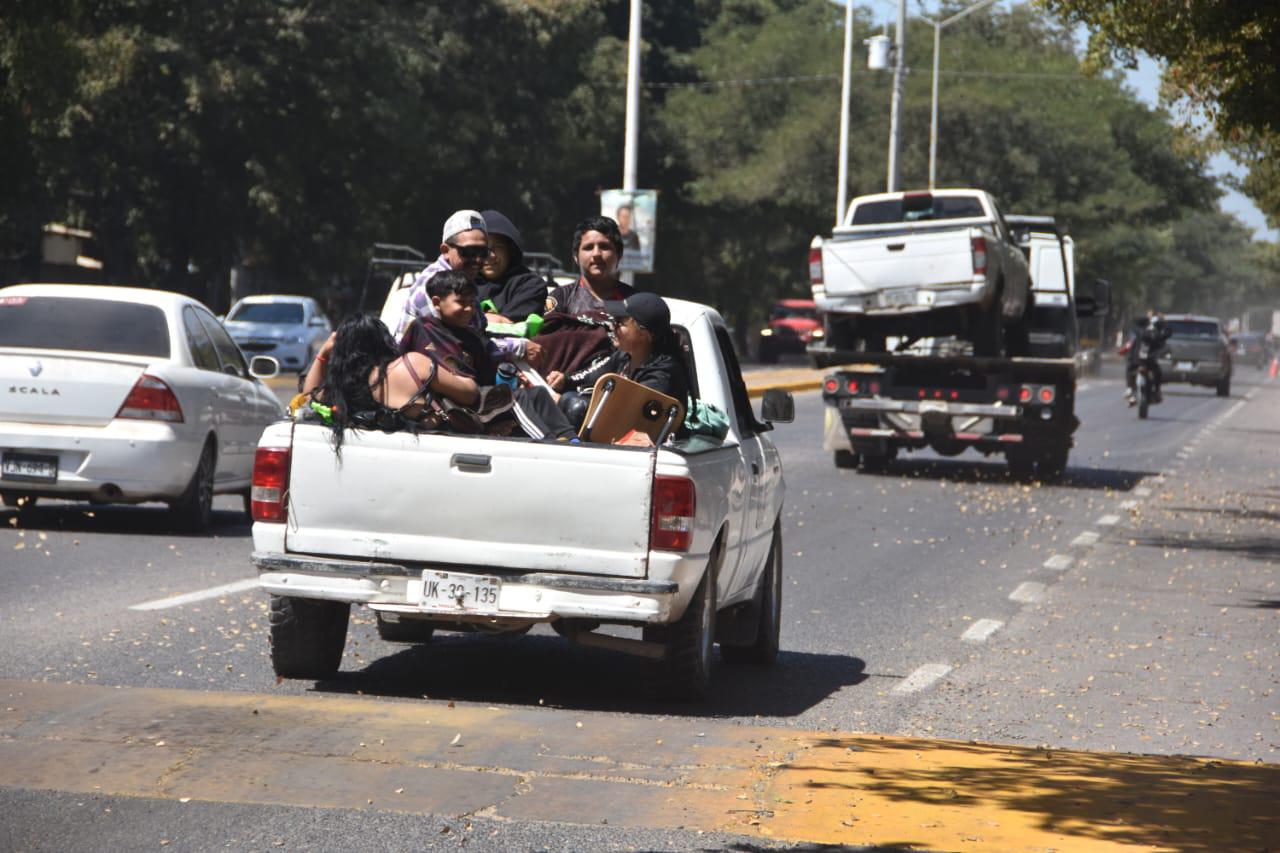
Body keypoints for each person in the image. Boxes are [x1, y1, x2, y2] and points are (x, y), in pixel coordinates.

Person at [400, 269, 578, 440]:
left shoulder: (472, 336)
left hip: (477, 397)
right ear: (437, 302)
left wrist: (512, 378)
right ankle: (548, 442)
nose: (469, 309)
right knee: (515, 398)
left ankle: (571, 439)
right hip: (448, 405)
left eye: (471, 303)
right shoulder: (423, 329)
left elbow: (488, 368)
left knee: (537, 393)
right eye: (461, 302)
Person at [300, 315, 479, 451]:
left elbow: (307, 399)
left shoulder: (342, 386)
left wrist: (323, 354)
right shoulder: (412, 365)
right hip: (426, 456)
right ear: (384, 340)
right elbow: (469, 394)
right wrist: (458, 367)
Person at [394, 209, 541, 366]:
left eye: (483, 252)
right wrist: (519, 347)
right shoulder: (432, 286)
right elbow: (467, 347)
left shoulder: (464, 281)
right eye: (469, 252)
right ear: (445, 251)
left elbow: (478, 336)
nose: (478, 260)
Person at [549, 292, 689, 425]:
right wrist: (564, 380)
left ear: (643, 333)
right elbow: (590, 377)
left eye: (619, 323)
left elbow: (622, 415)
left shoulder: (662, 374)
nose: (612, 326)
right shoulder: (623, 356)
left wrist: (565, 402)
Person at [544, 216, 635, 319]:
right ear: (575, 257)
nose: (596, 254)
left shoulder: (635, 302)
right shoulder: (561, 298)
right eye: (588, 247)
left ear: (619, 255)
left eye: (604, 246)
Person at [478, 210, 551, 324]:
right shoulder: (464, 282)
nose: (490, 255)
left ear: (510, 250)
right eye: (483, 248)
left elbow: (506, 323)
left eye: (498, 247)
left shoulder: (531, 285)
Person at [1125, 313, 1173, 405]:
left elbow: (1167, 336)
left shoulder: (1151, 335)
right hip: (1139, 361)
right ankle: (1130, 389)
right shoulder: (1142, 334)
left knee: (1157, 373)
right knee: (1130, 369)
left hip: (1147, 361)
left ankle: (1155, 391)